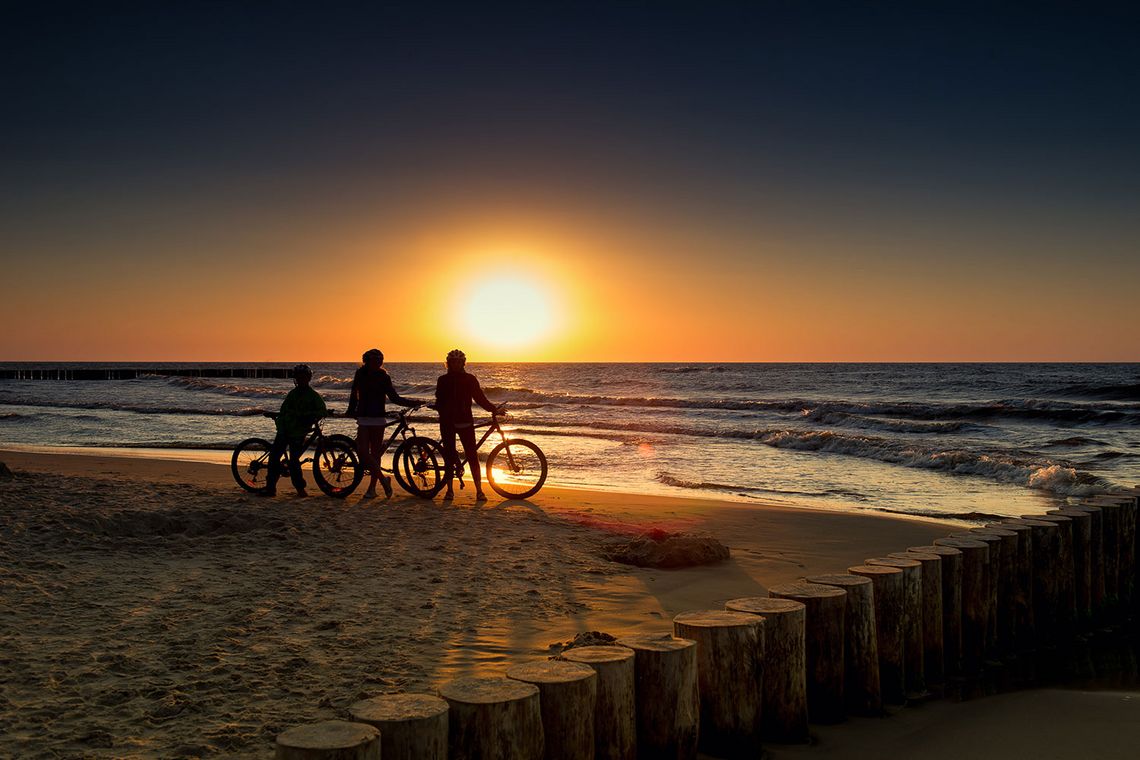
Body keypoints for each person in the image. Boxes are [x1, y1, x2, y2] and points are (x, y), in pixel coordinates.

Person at [347, 348, 419, 498]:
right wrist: (350, 409)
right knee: (362, 452)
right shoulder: (360, 373)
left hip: (378, 418)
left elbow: (394, 397)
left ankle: (372, 489)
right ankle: (383, 479)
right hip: (364, 417)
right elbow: (354, 393)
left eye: (380, 361)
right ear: (366, 361)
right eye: (375, 361)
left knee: (375, 454)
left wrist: (412, 403)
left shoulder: (383, 376)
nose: (378, 364)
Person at [434, 348, 499, 501]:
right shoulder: (442, 380)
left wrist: (493, 409)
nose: (456, 364)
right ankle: (449, 491)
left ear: (463, 363)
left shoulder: (470, 379)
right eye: (453, 362)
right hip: (447, 422)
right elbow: (440, 400)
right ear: (448, 363)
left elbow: (479, 398)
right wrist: (441, 410)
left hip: (465, 422)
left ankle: (479, 491)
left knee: (472, 456)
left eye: (459, 362)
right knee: (449, 456)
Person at [262, 363, 327, 497]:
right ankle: (271, 487)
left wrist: (310, 415)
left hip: (299, 431)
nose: (301, 380)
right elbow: (284, 410)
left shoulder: (313, 395)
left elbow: (322, 409)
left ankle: (300, 489)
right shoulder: (292, 394)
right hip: (285, 429)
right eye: (298, 378)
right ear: (295, 379)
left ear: (308, 378)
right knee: (275, 457)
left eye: (303, 377)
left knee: (294, 460)